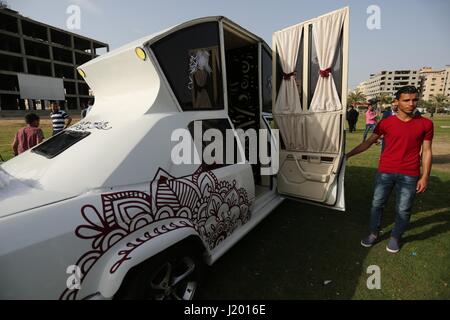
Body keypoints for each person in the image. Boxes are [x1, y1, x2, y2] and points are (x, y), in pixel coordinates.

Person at [346, 86, 433, 253]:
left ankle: (395, 237)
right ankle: (373, 233)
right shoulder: (386, 123)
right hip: (385, 171)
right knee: (377, 204)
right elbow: (369, 141)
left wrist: (425, 176)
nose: (411, 103)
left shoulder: (426, 124)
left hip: (410, 173)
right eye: (406, 100)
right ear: (397, 102)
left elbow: (427, 151)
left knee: (404, 208)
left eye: (414, 100)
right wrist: (349, 154)